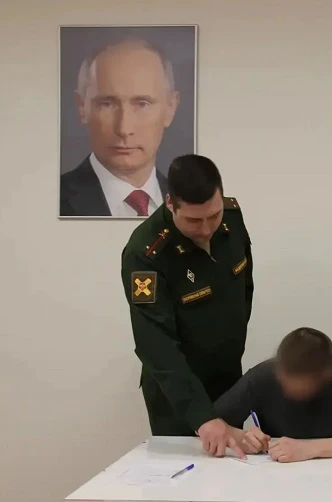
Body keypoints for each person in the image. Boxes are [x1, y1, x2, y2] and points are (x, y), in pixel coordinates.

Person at [120, 154, 254, 458]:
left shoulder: (231, 217)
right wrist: (201, 416)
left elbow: (244, 290)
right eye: (193, 220)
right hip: (178, 395)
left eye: (213, 216)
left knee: (233, 470)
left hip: (229, 379)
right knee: (185, 476)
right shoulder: (146, 253)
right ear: (170, 204)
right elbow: (155, 343)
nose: (206, 229)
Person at [214, 327, 332, 463]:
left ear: (326, 375)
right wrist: (244, 438)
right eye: (284, 377)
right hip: (275, 471)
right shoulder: (263, 375)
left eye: (301, 383)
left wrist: (308, 449)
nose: (288, 387)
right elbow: (208, 424)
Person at [60, 37, 181, 217]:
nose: (124, 129)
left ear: (171, 108)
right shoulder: (49, 199)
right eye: (107, 104)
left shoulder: (189, 202)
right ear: (82, 107)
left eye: (142, 104)